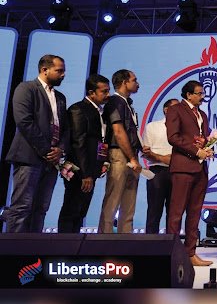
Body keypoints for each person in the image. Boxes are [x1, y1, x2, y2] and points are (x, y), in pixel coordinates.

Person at [4, 54, 68, 233]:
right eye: (59, 71)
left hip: (51, 161)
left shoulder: (60, 97)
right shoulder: (26, 88)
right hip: (29, 157)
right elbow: (24, 121)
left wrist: (60, 150)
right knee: (22, 207)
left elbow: (65, 128)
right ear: (44, 70)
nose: (63, 75)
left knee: (41, 208)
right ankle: (14, 249)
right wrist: (47, 150)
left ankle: (35, 247)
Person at [166, 80, 214, 267]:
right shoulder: (175, 110)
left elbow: (201, 138)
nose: (202, 96)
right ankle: (171, 254)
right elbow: (173, 137)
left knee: (194, 213)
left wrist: (207, 148)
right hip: (183, 167)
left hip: (200, 168)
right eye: (199, 93)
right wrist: (195, 151)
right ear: (188, 95)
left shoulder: (202, 114)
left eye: (203, 93)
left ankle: (190, 253)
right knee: (176, 212)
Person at [58, 74, 110, 233]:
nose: (107, 95)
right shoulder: (78, 109)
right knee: (71, 209)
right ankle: (63, 245)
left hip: (90, 169)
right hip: (76, 168)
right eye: (104, 91)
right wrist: (86, 174)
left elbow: (99, 141)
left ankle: (74, 244)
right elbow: (78, 143)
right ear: (91, 92)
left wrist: (102, 163)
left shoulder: (99, 111)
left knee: (81, 211)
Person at [98, 69, 142, 233]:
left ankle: (125, 238)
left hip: (131, 154)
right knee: (113, 198)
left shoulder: (127, 103)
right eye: (134, 80)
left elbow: (130, 131)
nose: (137, 84)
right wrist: (132, 157)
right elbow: (118, 132)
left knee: (129, 201)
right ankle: (105, 238)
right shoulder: (115, 102)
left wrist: (139, 148)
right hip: (119, 154)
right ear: (124, 82)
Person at [141, 98, 179, 234]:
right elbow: (146, 153)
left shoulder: (184, 129)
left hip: (177, 171)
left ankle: (172, 241)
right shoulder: (152, 127)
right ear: (166, 110)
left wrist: (170, 159)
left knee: (174, 212)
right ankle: (151, 242)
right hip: (157, 171)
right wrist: (163, 158)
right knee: (154, 210)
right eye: (175, 108)